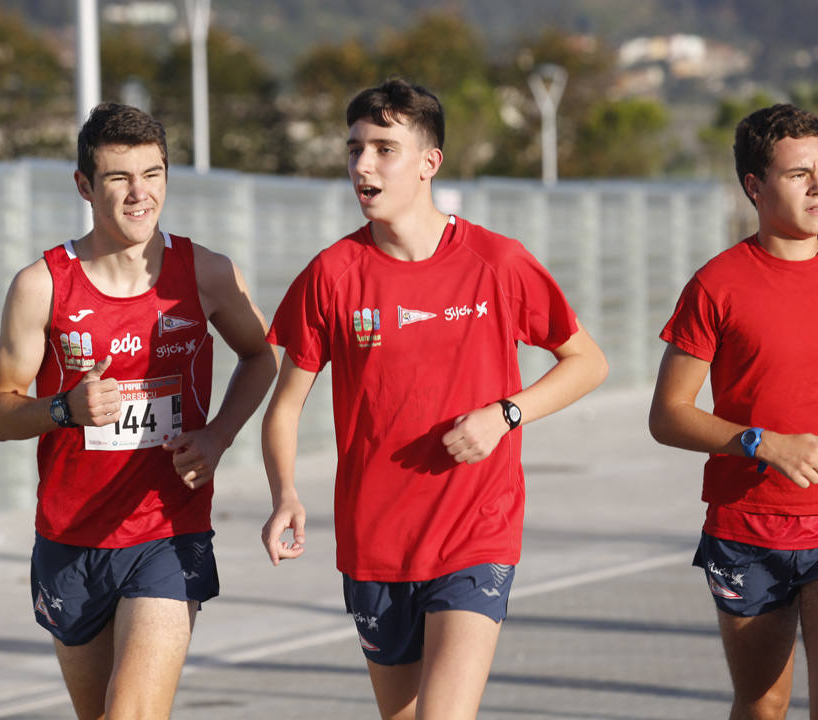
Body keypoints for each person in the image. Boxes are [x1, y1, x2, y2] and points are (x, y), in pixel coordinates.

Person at [260, 77, 608, 720]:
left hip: (476, 533)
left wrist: (507, 415)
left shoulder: (496, 261)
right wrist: (285, 493)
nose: (363, 165)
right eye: (355, 148)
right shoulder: (331, 275)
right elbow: (285, 406)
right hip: (374, 542)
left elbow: (587, 362)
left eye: (383, 148)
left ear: (428, 163)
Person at [0, 102, 277, 719]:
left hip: (167, 532)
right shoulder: (42, 284)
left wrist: (220, 436)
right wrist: (64, 408)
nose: (140, 194)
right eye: (119, 178)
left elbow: (261, 356)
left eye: (154, 174)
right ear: (85, 186)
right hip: (70, 537)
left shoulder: (207, 273)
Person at [649, 103, 818, 719]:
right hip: (748, 529)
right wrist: (761, 442)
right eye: (799, 174)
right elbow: (668, 414)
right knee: (763, 704)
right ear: (755, 187)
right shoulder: (716, 285)